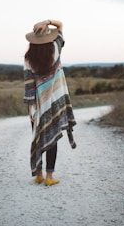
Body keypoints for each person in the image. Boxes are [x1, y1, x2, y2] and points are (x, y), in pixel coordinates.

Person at [24, 19, 76, 186]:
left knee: (38, 136)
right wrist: (47, 22)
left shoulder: (28, 58)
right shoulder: (55, 48)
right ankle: (49, 177)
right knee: (52, 136)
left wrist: (30, 107)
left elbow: (29, 85)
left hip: (37, 105)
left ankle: (38, 174)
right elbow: (60, 25)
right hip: (55, 102)